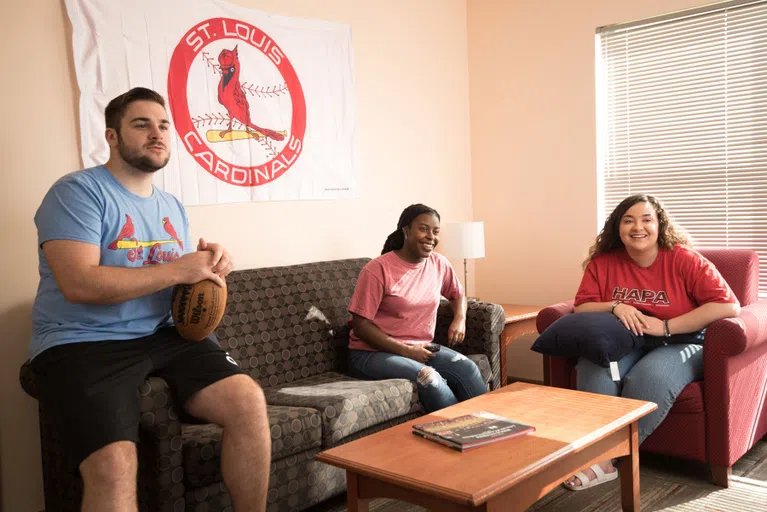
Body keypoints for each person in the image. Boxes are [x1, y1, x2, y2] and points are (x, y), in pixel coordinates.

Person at [29, 87, 270, 511]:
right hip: (82, 341)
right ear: (113, 136)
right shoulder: (77, 192)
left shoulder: (171, 205)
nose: (156, 133)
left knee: (248, 401)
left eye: (163, 126)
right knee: (115, 465)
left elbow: (172, 277)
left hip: (162, 333)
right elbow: (79, 283)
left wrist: (210, 265)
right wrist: (181, 268)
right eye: (141, 124)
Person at [564, 194, 740, 490]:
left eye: (647, 219)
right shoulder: (604, 262)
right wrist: (615, 306)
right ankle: (597, 454)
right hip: (626, 339)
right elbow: (582, 306)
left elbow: (727, 306)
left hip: (681, 341)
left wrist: (666, 326)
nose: (638, 227)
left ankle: (607, 460)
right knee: (595, 371)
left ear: (660, 225)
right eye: (628, 220)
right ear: (617, 228)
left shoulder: (683, 258)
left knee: (648, 378)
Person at [346, 204, 487, 413]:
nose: (431, 236)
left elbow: (457, 295)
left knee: (467, 368)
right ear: (406, 231)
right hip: (371, 353)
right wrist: (406, 351)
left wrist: (460, 318)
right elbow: (360, 325)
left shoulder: (439, 264)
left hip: (420, 347)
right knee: (429, 377)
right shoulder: (378, 270)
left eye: (435, 231)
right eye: (423, 229)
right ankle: (461, 432)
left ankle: (491, 428)